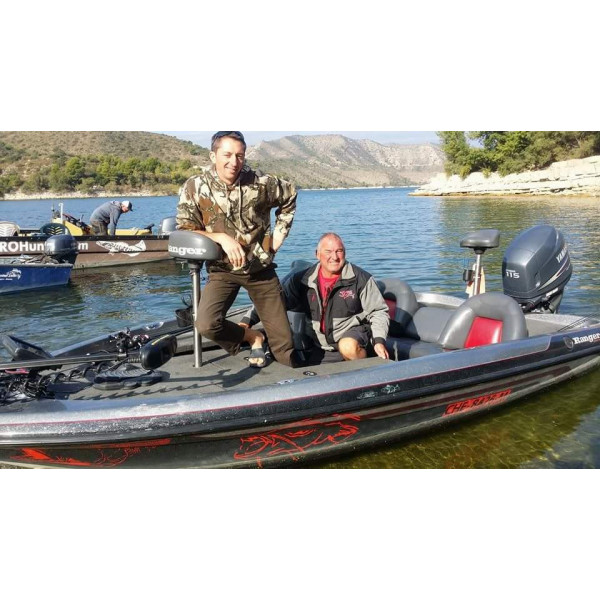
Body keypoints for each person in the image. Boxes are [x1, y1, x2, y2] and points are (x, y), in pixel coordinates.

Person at [176, 131, 297, 369]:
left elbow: (290, 195)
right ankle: (252, 336)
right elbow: (186, 229)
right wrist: (220, 238)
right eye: (227, 155)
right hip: (222, 270)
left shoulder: (261, 182)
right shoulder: (195, 186)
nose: (234, 162)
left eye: (240, 156)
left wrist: (277, 238)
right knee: (206, 324)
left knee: (284, 348)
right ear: (213, 156)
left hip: (260, 270)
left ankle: (289, 380)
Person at [241, 233, 390, 362]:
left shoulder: (360, 279)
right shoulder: (302, 280)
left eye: (339, 251)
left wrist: (379, 341)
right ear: (317, 254)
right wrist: (248, 321)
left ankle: (364, 371)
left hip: (354, 338)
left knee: (347, 346)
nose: (334, 257)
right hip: (320, 346)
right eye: (328, 251)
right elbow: (274, 302)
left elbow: (379, 311)